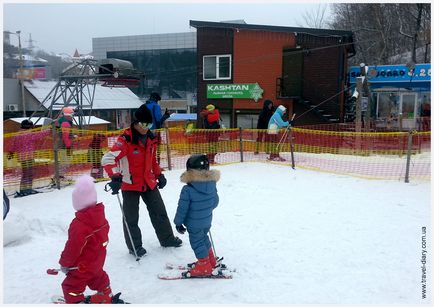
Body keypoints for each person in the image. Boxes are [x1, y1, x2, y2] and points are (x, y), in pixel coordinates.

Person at [101, 104, 182, 258]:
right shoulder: (125, 140)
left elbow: (152, 161)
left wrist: (159, 175)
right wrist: (115, 176)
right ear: (136, 123)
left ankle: (167, 239)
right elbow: (108, 159)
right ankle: (134, 246)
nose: (146, 127)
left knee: (159, 212)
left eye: (149, 124)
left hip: (148, 182)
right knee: (131, 218)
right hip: (130, 183)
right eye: (144, 124)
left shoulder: (151, 138)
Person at [59, 175, 124, 304]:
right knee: (98, 277)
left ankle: (75, 301)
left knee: (72, 285)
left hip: (82, 265)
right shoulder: (100, 218)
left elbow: (73, 247)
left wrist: (65, 263)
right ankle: (105, 294)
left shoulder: (79, 224)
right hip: (98, 260)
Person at [173, 154, 220, 277]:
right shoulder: (212, 185)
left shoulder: (187, 189)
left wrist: (178, 222)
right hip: (207, 221)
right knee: (203, 238)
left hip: (194, 224)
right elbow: (215, 202)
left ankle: (204, 265)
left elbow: (182, 209)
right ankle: (210, 260)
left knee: (197, 242)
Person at [7, 119, 50, 197]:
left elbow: (13, 145)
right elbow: (41, 134)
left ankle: (23, 189)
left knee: (25, 174)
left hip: (22, 157)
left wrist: (11, 152)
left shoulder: (17, 134)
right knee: (29, 174)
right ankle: (27, 189)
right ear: (29, 126)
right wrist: (50, 129)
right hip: (28, 157)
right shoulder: (29, 134)